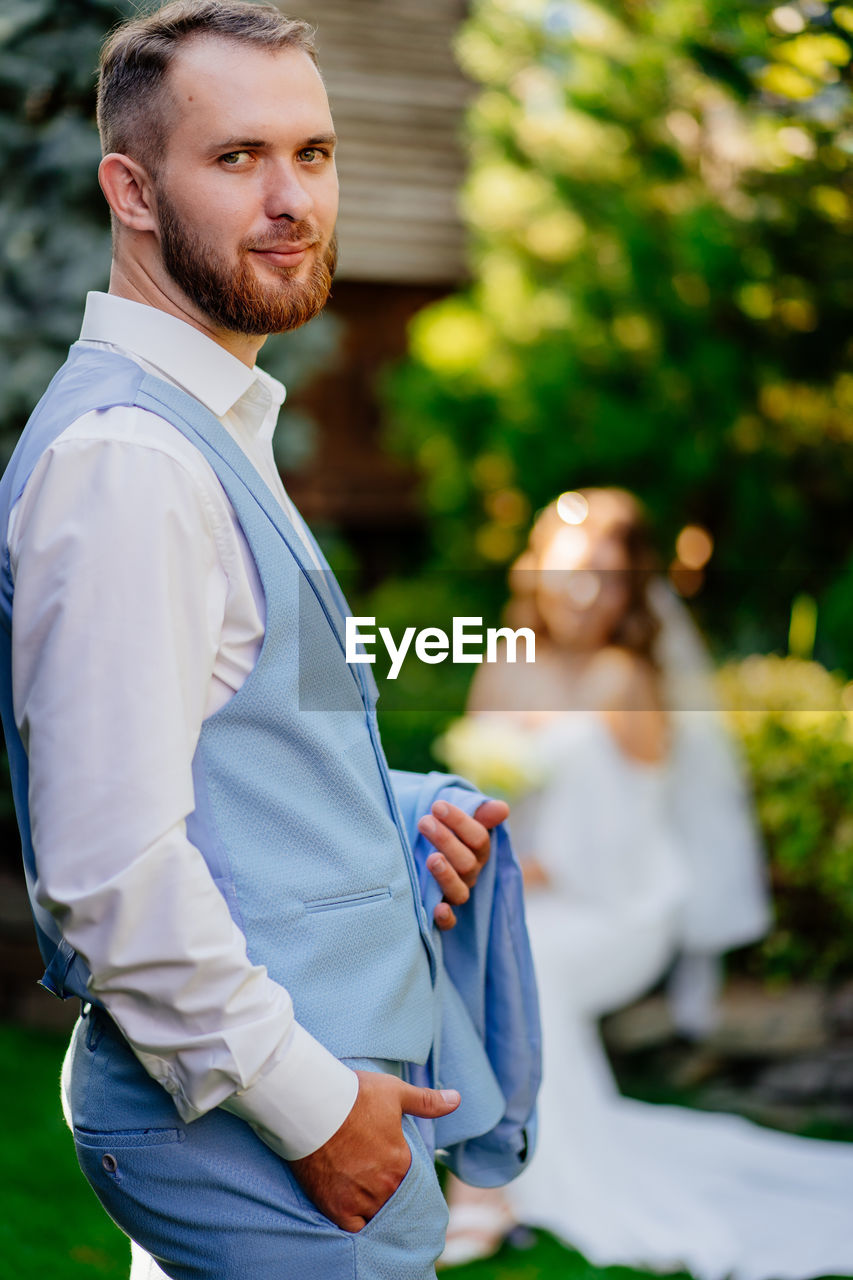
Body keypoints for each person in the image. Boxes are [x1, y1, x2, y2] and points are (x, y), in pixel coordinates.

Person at [0, 4, 540, 1278]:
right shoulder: (130, 461)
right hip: (274, 1142)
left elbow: (214, 756)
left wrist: (385, 812)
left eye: (315, 152)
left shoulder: (205, 424)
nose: (292, 197)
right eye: (237, 158)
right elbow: (110, 869)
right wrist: (319, 1115)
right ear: (131, 189)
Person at [441, 489, 853, 1280]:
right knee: (476, 948)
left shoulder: (621, 678)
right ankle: (488, 1155)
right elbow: (471, 792)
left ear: (632, 588)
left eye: (604, 577)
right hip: (525, 894)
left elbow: (631, 840)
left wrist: (536, 868)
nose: (581, 594)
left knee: (528, 966)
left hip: (622, 903)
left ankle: (485, 1181)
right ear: (535, 573)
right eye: (567, 573)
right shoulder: (504, 660)